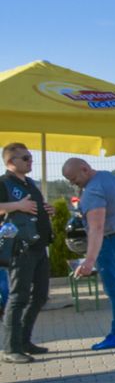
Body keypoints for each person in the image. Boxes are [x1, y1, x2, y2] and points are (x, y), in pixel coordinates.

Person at [61, 158, 115, 349]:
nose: (72, 183)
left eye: (73, 178)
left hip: (111, 241)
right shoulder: (107, 176)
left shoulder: (93, 192)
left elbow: (96, 228)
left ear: (84, 169)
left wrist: (89, 261)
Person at [0, 143, 55, 364]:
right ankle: (10, 348)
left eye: (31, 157)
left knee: (40, 295)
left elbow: (34, 206)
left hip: (39, 246)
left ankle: (24, 341)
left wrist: (48, 210)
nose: (30, 161)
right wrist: (17, 206)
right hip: (19, 248)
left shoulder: (30, 183)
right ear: (11, 162)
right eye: (26, 158)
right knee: (18, 297)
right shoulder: (3, 183)